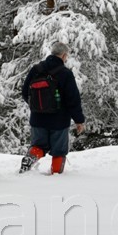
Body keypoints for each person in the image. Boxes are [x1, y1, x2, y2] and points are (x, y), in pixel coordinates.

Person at [19, 41, 85, 175]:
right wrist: (79, 120)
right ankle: (56, 176)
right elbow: (73, 99)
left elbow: (25, 92)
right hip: (59, 121)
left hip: (37, 119)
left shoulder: (36, 69)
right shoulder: (65, 73)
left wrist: (36, 107)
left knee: (38, 146)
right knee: (59, 151)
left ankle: (29, 160)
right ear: (64, 55)